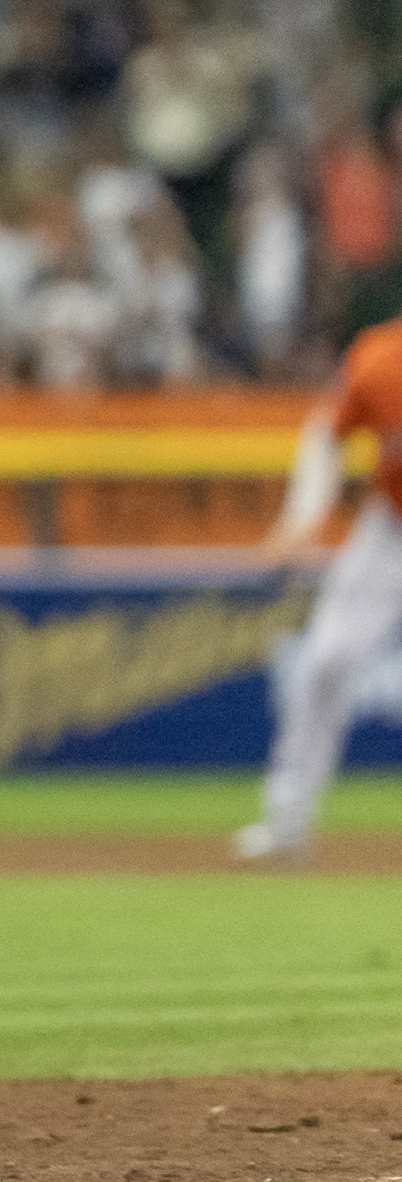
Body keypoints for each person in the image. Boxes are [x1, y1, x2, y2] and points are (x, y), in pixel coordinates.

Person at [238, 315, 402, 865]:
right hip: (391, 533)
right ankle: (287, 825)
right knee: (324, 662)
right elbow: (326, 435)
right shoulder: (382, 359)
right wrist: (300, 522)